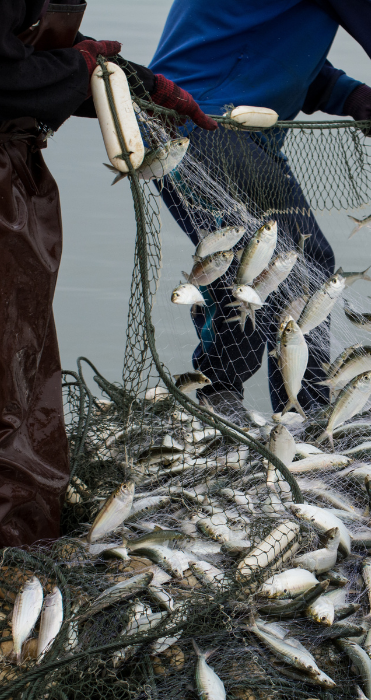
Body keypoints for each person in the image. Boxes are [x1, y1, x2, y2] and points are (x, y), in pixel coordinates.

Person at [150, 0, 371, 417]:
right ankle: (248, 403)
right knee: (269, 266)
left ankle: (289, 409)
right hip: (203, 126)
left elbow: (260, 41)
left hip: (212, 123)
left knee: (292, 264)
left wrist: (348, 94)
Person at [0, 0, 216, 547]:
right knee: (8, 370)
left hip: (15, 172)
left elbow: (23, 48)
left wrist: (136, 82)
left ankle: (24, 534)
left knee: (22, 360)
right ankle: (14, 551)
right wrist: (81, 68)